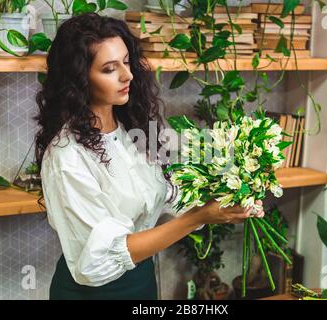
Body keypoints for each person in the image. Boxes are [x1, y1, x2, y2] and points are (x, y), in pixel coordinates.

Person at [34, 13, 257, 300]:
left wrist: (226, 201)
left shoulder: (133, 134)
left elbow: (165, 202)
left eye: (126, 62)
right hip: (92, 293)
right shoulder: (67, 156)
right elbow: (97, 261)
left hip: (142, 284)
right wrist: (198, 217)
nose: (127, 75)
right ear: (79, 79)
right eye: (109, 69)